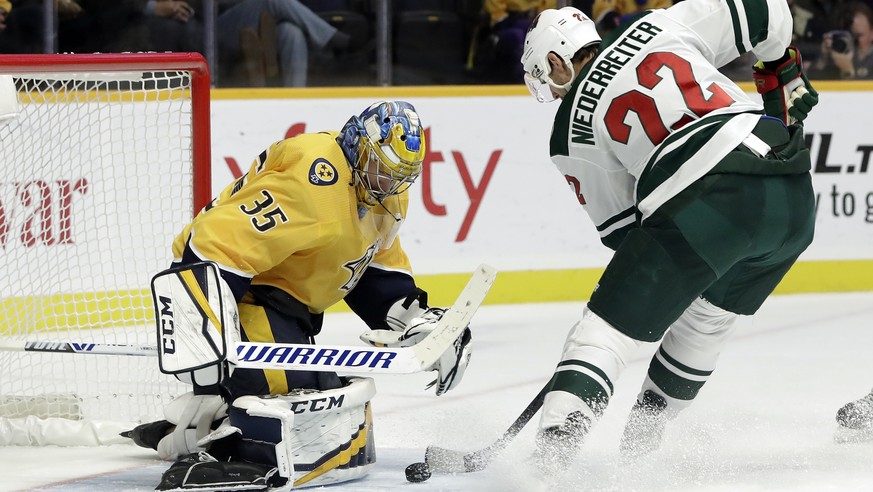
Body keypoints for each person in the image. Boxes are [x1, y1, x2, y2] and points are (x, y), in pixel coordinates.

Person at [519, 2, 818, 473]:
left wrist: (662, 280)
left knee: (602, 333)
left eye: (545, 76)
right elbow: (764, 9)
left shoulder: (569, 131)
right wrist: (781, 65)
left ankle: (548, 462)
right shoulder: (656, 23)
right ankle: (643, 450)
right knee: (706, 322)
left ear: (557, 62)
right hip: (792, 192)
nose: (552, 93)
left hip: (705, 198)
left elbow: (624, 232)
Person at [125, 101, 473, 490]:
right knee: (286, 410)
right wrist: (202, 325)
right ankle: (228, 448)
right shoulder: (314, 181)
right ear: (358, 145)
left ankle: (191, 426)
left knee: (323, 396)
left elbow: (372, 267)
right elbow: (214, 245)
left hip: (288, 308)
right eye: (381, 168)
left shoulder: (385, 196)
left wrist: (414, 320)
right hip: (242, 294)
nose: (389, 184)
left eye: (399, 176)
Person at [217, 0, 351, 87]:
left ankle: (295, 95)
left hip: (258, 23)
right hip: (216, 28)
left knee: (292, 32)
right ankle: (332, 38)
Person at [809, 1, 873, 79]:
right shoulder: (837, 54)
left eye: (858, 36)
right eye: (848, 36)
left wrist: (847, 69)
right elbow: (813, 83)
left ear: (871, 33)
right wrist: (823, 58)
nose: (852, 41)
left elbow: (866, 90)